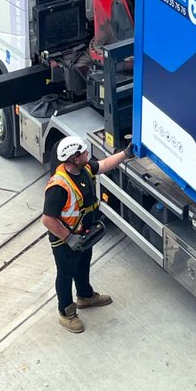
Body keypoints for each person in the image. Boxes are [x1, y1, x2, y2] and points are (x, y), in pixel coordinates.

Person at [42, 135, 131, 333]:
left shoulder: (84, 168)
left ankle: (85, 296)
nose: (87, 153)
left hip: (84, 235)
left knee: (83, 265)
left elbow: (104, 165)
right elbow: (48, 220)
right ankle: (66, 313)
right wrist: (69, 238)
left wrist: (126, 153)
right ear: (74, 158)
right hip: (65, 241)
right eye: (83, 152)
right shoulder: (58, 187)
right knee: (65, 275)